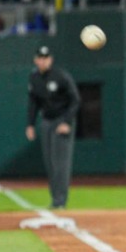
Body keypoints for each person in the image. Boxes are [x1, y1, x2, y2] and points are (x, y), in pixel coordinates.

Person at [26, 45, 81, 209]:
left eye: (46, 58)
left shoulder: (61, 76)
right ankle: (55, 199)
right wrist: (30, 124)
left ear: (51, 59)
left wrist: (66, 121)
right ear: (36, 60)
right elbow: (33, 103)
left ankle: (60, 201)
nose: (43, 61)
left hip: (61, 121)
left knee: (61, 164)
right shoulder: (34, 78)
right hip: (47, 122)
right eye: (40, 58)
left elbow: (75, 100)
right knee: (50, 163)